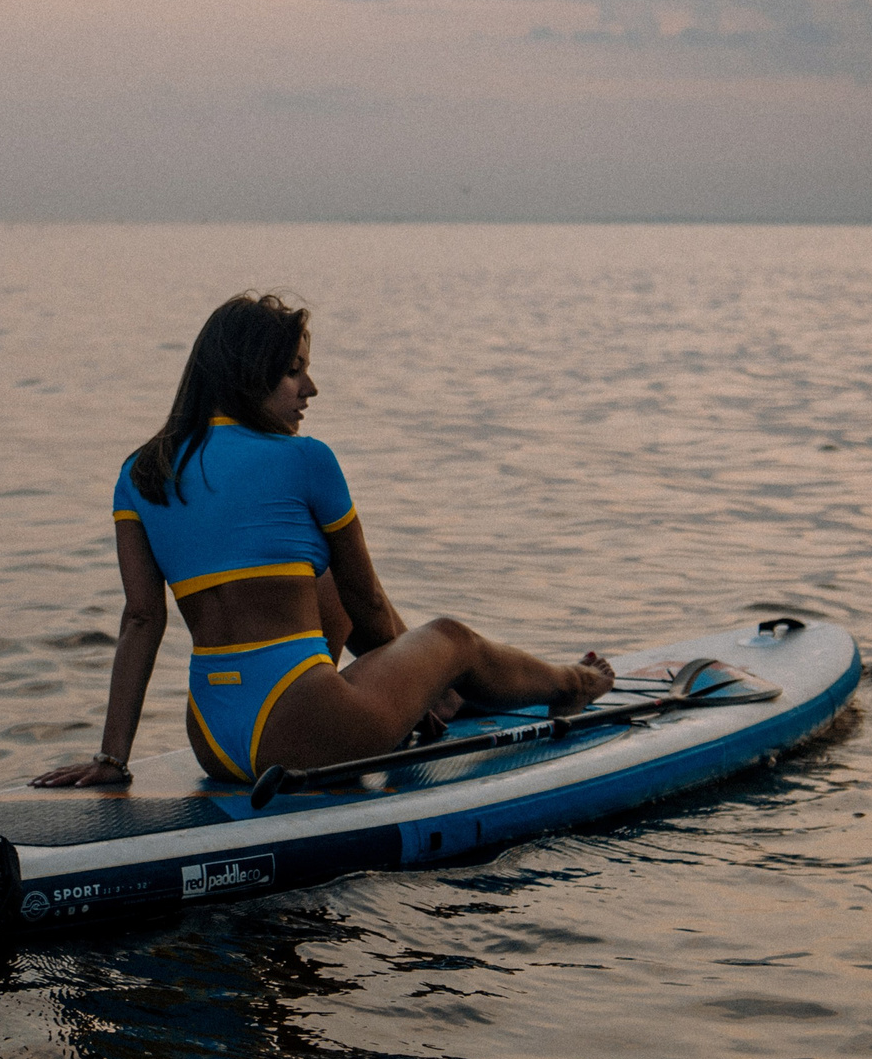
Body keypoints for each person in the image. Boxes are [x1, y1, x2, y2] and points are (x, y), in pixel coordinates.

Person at [33, 292, 612, 791]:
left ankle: (449, 695)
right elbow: (369, 604)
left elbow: (141, 619)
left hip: (213, 737)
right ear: (247, 375)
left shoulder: (141, 470)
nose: (310, 388)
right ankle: (573, 683)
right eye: (293, 372)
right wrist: (423, 687)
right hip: (302, 729)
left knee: (321, 583)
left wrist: (113, 758)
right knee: (452, 639)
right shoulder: (306, 459)